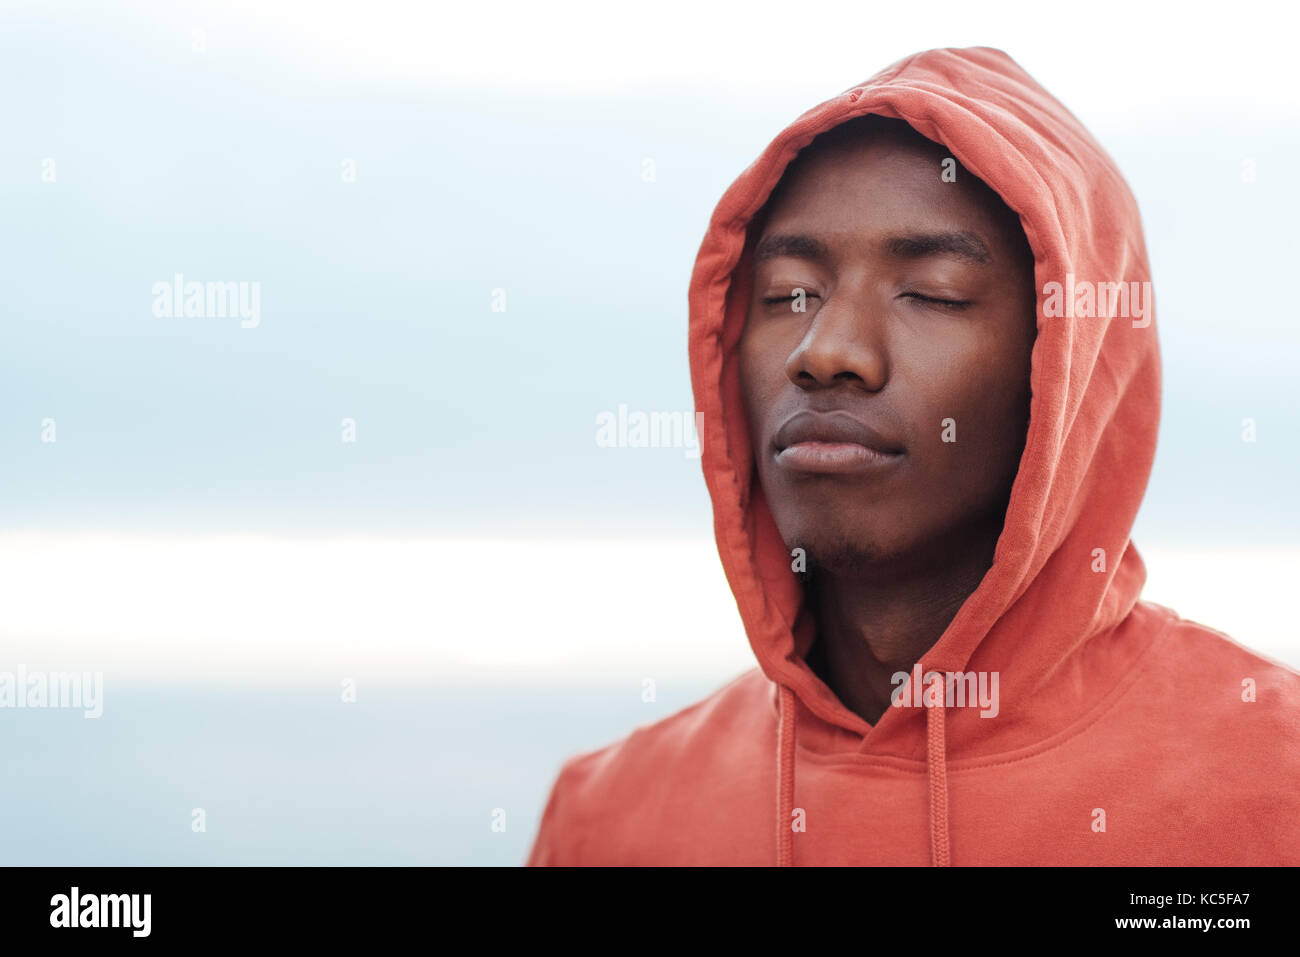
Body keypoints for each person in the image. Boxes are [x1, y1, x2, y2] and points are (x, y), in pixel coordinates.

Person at [526, 46, 1300, 866]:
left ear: (1066, 365)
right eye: (790, 292)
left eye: (930, 292)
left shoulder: (1272, 786)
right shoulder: (609, 821)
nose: (827, 351)